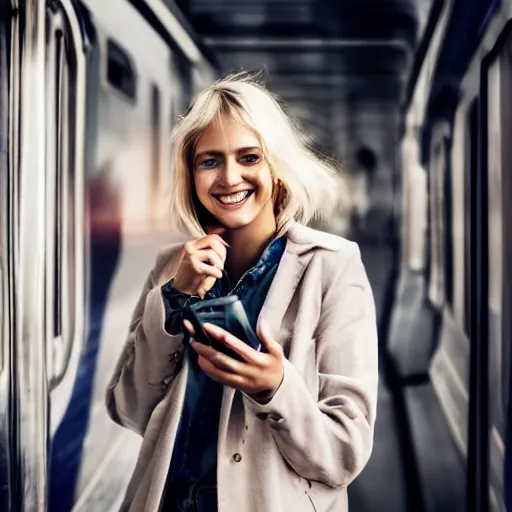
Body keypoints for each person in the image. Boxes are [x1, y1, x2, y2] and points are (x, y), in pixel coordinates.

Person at [106, 72, 378, 512]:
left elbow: (344, 452)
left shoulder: (333, 267)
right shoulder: (171, 268)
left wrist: (276, 387)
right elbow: (130, 408)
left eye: (249, 157)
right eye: (209, 161)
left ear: (277, 167)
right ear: (191, 174)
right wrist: (174, 298)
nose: (229, 177)